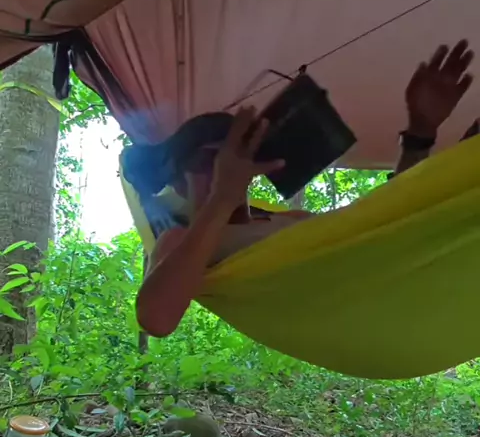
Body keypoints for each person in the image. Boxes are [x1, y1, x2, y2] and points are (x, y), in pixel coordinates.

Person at [131, 40, 474, 337]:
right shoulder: (179, 240)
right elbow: (156, 319)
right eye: (209, 159)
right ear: (177, 179)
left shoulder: (294, 220)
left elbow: (384, 228)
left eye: (238, 154)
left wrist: (419, 133)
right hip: (392, 310)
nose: (224, 168)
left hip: (419, 279)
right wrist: (221, 198)